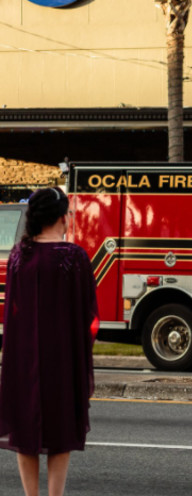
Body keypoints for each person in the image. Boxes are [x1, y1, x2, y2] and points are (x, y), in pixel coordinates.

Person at [0, 187, 98, 496]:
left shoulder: (19, 256)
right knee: (61, 431)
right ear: (61, 216)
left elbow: (10, 313)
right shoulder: (74, 257)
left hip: (24, 358)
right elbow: (90, 318)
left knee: (26, 431)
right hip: (63, 360)